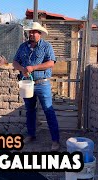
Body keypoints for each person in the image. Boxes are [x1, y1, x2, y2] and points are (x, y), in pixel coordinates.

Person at [13, 22, 60, 151]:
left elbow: (51, 63)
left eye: (34, 32)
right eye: (30, 32)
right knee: (30, 111)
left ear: (40, 34)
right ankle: (31, 135)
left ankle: (55, 140)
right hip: (27, 83)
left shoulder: (46, 46)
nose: (31, 34)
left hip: (42, 83)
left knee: (48, 111)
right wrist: (22, 68)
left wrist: (33, 67)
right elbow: (15, 61)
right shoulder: (23, 47)